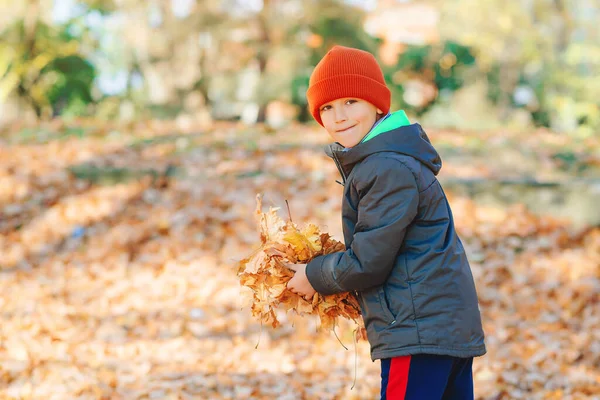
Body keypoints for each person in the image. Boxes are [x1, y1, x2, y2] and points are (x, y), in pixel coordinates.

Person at [284, 45, 486, 400]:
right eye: (327, 108)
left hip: (418, 330)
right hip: (439, 327)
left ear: (377, 104)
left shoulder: (385, 167)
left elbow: (369, 261)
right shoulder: (389, 160)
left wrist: (313, 276)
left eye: (351, 102)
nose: (339, 116)